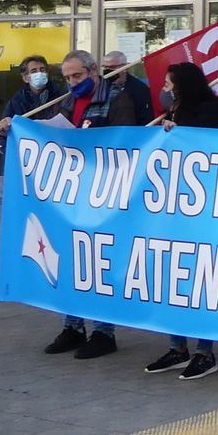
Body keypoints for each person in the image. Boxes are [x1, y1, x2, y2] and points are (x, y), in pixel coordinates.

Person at [43, 50, 139, 360]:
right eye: (67, 78)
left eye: (77, 76)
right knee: (71, 260)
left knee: (99, 262)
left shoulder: (116, 99)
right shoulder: (67, 102)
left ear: (93, 70)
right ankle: (73, 326)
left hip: (103, 192)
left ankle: (103, 331)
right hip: (72, 191)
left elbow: (125, 143)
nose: (72, 82)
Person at [144, 62, 218, 381]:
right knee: (172, 280)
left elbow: (204, 142)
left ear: (184, 85)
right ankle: (177, 348)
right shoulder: (173, 112)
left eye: (169, 84)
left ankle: (205, 352)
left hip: (202, 210)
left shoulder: (214, 109)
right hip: (172, 208)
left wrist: (178, 132)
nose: (164, 90)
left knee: (200, 280)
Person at [0, 55, 58, 146]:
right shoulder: (17, 101)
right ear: (25, 78)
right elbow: (5, 135)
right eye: (34, 71)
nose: (39, 73)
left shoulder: (61, 96)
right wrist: (4, 129)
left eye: (42, 70)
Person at [102, 50, 153, 123]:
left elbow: (144, 117)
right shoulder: (100, 86)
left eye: (112, 67)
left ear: (124, 67)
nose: (108, 71)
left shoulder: (139, 89)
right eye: (105, 67)